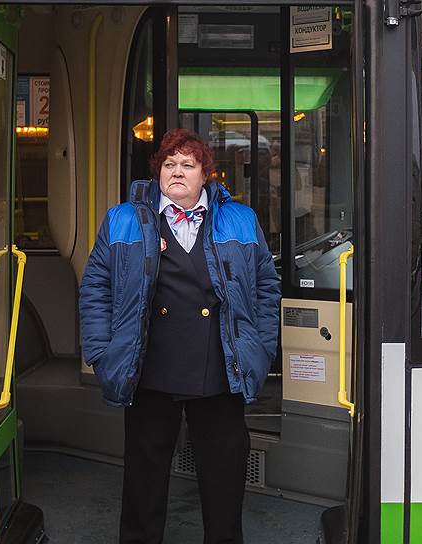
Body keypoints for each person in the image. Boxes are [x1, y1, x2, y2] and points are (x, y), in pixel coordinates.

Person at [79, 128, 281, 544]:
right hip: (148, 369)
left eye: (188, 164)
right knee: (143, 481)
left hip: (221, 370)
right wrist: (100, 351)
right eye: (169, 164)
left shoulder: (241, 219)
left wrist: (260, 349)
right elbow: (95, 286)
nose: (177, 172)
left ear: (206, 174)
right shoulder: (122, 219)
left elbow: (266, 286)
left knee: (224, 480)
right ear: (158, 173)